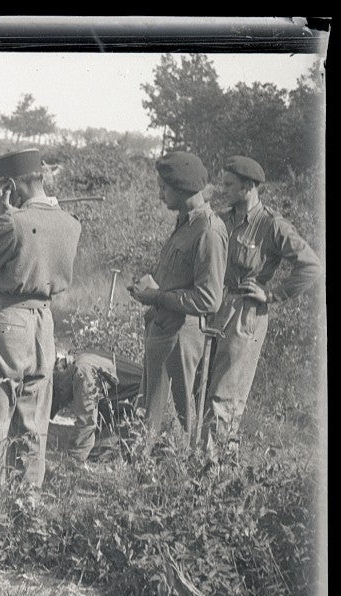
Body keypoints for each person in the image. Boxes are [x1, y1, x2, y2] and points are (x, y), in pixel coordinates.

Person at [0, 149, 81, 487]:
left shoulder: (14, 223)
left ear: (11, 185)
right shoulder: (71, 224)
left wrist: (2, 215)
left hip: (8, 320)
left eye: (2, 186)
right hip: (44, 324)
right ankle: (26, 501)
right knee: (34, 419)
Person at [204, 155, 322, 457]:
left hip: (246, 316)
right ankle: (202, 461)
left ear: (249, 186)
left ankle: (215, 471)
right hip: (214, 309)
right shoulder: (220, 219)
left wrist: (272, 295)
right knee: (202, 388)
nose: (223, 189)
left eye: (230, 184)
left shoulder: (272, 225)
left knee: (226, 395)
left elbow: (311, 266)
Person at [127, 151, 227, 451]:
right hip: (163, 328)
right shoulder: (184, 223)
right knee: (152, 414)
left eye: (164, 188)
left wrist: (156, 296)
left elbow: (209, 299)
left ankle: (177, 478)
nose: (160, 195)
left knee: (178, 420)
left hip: (182, 337)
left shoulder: (209, 230)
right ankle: (146, 473)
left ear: (183, 189)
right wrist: (151, 289)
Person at [49, 351, 144, 463]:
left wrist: (71, 460)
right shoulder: (82, 359)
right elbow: (101, 407)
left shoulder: (82, 372)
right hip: (135, 403)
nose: (65, 403)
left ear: (60, 370)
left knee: (95, 453)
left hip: (144, 408)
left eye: (60, 394)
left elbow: (87, 422)